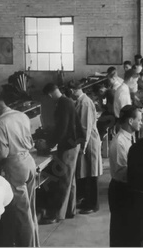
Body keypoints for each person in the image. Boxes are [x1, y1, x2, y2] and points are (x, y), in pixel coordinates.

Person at [0, 94, 40, 246]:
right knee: (31, 208)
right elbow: (30, 141)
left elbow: (1, 154)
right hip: (29, 162)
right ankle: (35, 244)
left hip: (15, 166)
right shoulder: (22, 115)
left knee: (22, 213)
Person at [42, 83, 85, 223]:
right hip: (73, 143)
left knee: (64, 180)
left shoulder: (62, 103)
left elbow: (62, 128)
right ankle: (69, 211)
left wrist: (49, 144)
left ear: (49, 94)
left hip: (69, 145)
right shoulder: (67, 101)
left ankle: (57, 215)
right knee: (70, 179)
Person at [108, 105, 143, 247]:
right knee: (121, 233)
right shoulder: (120, 142)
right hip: (121, 190)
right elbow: (123, 172)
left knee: (129, 232)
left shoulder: (131, 138)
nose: (141, 123)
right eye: (139, 120)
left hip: (128, 188)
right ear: (130, 121)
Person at [68, 80, 103, 214]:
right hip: (86, 141)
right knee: (87, 172)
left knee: (92, 173)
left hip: (89, 142)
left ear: (73, 90)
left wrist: (83, 145)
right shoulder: (80, 102)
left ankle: (93, 204)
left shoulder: (84, 103)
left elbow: (85, 127)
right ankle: (87, 201)